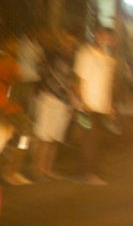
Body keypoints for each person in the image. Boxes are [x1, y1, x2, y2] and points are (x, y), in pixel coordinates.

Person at [72, 25, 118, 185]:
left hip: (102, 107)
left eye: (109, 38)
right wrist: (82, 102)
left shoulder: (109, 59)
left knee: (97, 140)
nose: (107, 40)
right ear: (97, 36)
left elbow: (108, 85)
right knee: (89, 140)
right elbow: (78, 80)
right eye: (104, 36)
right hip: (87, 105)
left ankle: (89, 172)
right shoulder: (86, 54)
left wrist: (110, 106)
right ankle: (88, 174)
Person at [31, 29, 77, 181]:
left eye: (71, 42)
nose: (69, 44)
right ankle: (38, 169)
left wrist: (71, 104)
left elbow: (71, 83)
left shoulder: (73, 60)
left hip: (63, 102)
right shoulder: (52, 54)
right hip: (49, 98)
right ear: (61, 41)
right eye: (66, 40)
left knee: (55, 138)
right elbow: (40, 67)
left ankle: (47, 169)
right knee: (44, 136)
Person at [0, 31, 32, 185]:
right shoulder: (8, 63)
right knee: (11, 138)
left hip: (11, 107)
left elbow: (18, 83)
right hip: (5, 108)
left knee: (23, 137)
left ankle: (12, 170)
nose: (16, 47)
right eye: (13, 44)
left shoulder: (12, 62)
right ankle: (9, 171)